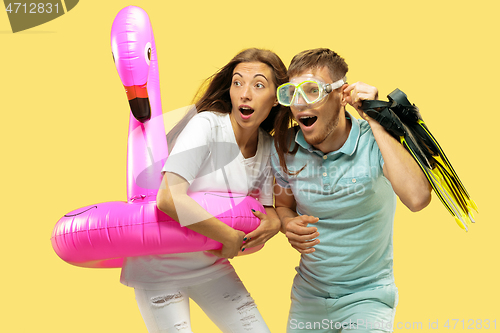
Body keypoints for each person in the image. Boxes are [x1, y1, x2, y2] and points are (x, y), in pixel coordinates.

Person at [120, 48, 285, 333]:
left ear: (276, 98)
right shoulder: (206, 125)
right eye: (237, 82)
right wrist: (228, 236)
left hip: (210, 264)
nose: (245, 94)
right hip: (159, 268)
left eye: (258, 85)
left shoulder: (267, 146)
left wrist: (275, 221)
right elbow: (168, 197)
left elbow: (266, 209)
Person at [271, 48, 432, 332]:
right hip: (309, 298)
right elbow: (283, 205)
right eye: (292, 93)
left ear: (342, 94)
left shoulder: (375, 142)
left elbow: (418, 198)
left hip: (368, 297)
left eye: (311, 91)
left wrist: (375, 119)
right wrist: (287, 222)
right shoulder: (286, 146)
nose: (299, 103)